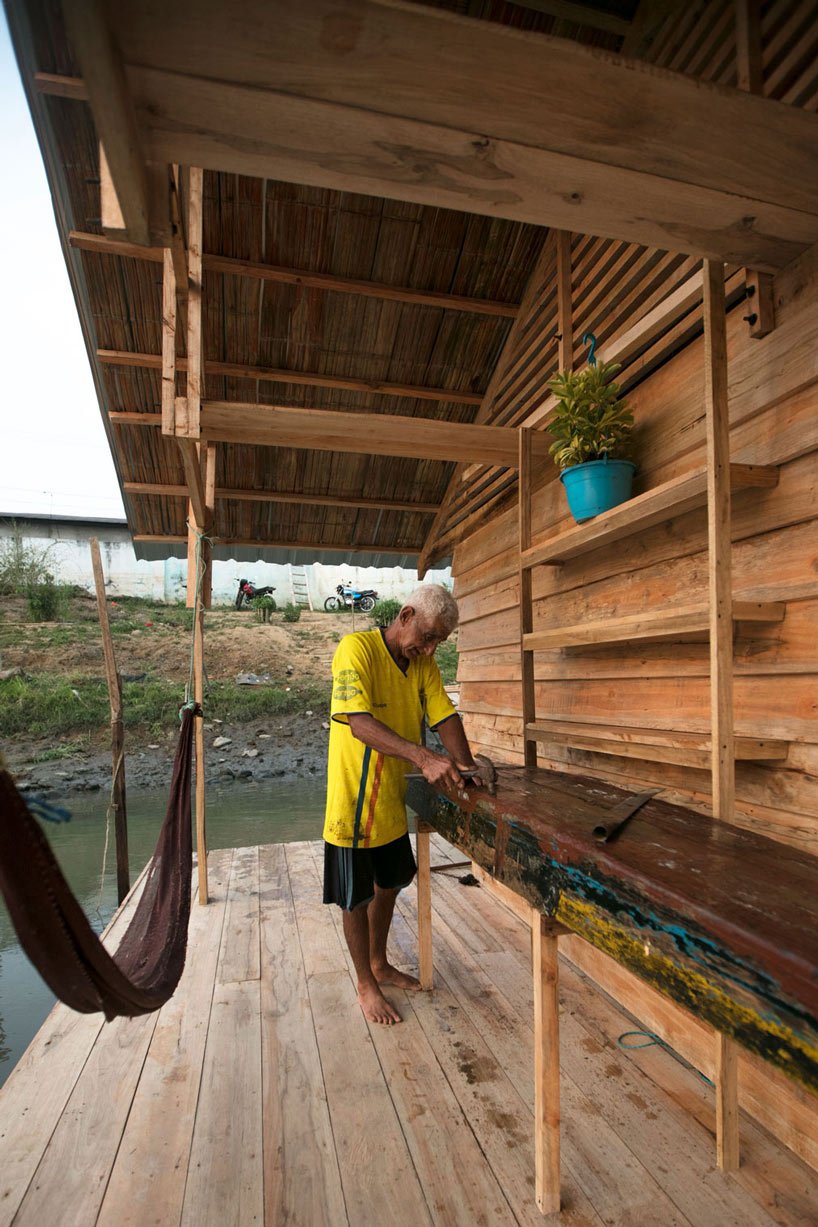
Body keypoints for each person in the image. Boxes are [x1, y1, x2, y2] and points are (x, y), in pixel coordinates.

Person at [323, 584, 482, 1025]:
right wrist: (424, 756)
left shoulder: (422, 663)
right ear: (406, 615)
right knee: (355, 898)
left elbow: (444, 714)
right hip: (353, 799)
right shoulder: (356, 650)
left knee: (389, 883)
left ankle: (378, 963)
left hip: (390, 797)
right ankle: (364, 982)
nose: (429, 649)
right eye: (426, 637)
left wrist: (467, 765)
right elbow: (358, 724)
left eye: (438, 643)